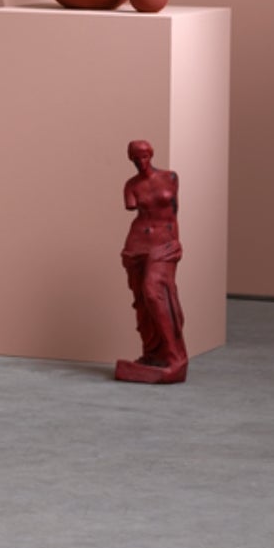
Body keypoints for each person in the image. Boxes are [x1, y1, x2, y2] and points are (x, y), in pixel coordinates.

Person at [115, 139, 188, 384]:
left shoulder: (171, 178)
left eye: (144, 155)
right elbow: (132, 209)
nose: (140, 160)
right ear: (130, 158)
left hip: (164, 244)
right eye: (135, 156)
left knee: (154, 291)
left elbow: (174, 214)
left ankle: (174, 356)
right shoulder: (131, 186)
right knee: (142, 301)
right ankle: (152, 354)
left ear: (151, 154)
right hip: (137, 246)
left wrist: (175, 241)